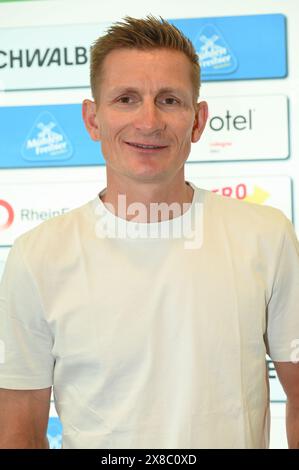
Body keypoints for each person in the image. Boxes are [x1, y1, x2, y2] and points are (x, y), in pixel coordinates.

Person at [0, 15, 299, 450]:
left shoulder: (267, 237)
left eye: (170, 100)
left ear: (197, 121)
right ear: (92, 119)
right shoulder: (37, 256)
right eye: (126, 98)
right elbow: (17, 432)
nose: (148, 121)